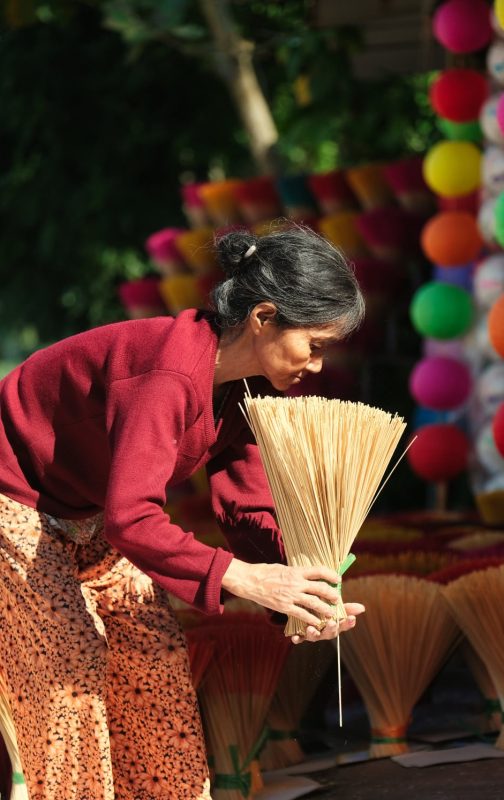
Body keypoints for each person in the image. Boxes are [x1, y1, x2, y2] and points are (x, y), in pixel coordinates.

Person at [0, 225, 366, 800]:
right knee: (71, 666)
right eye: (314, 345)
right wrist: (246, 580)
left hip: (87, 510)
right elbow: (133, 519)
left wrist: (302, 591)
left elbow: (245, 507)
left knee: (156, 658)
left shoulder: (251, 387)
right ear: (264, 318)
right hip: (12, 497)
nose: (317, 366)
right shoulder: (168, 373)